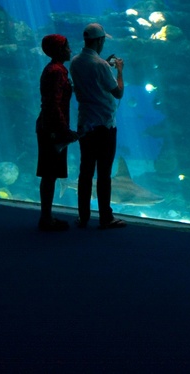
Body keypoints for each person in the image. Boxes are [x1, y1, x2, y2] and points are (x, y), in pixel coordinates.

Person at [69, 22, 126, 229]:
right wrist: (119, 71)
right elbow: (118, 92)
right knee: (104, 174)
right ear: (99, 40)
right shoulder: (101, 65)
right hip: (104, 125)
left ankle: (83, 216)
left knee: (85, 173)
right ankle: (105, 217)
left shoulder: (74, 62)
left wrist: (106, 65)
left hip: (85, 124)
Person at [35, 34, 79, 232]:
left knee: (50, 174)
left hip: (50, 126)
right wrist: (63, 130)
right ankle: (46, 219)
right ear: (59, 49)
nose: (70, 50)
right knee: (50, 174)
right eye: (67, 47)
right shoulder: (56, 71)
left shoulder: (57, 69)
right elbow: (52, 104)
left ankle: (47, 216)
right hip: (51, 129)